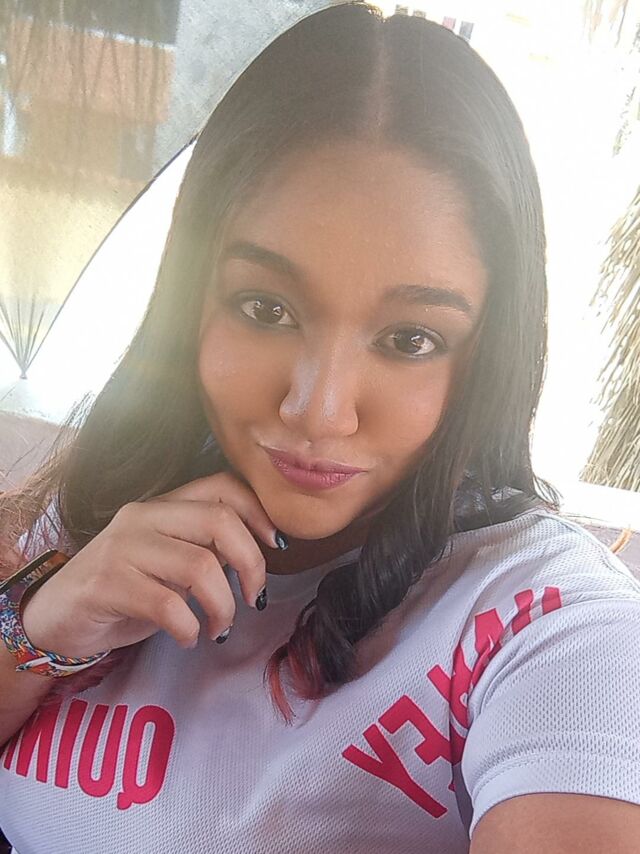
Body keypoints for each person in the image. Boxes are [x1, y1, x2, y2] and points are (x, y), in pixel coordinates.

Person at [1, 4, 639, 852]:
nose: (319, 409)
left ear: (487, 354)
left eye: (410, 340)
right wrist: (45, 627)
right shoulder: (108, 510)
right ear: (191, 297)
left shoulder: (551, 627)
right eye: (266, 308)